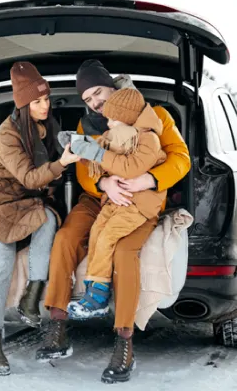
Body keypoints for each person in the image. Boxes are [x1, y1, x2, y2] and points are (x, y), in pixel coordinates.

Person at [35, 59, 190, 384]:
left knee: (123, 252)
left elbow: (181, 158)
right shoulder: (85, 125)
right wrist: (104, 184)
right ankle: (57, 325)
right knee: (65, 238)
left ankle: (124, 342)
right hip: (97, 199)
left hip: (137, 198)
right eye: (88, 98)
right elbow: (82, 171)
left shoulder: (156, 116)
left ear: (113, 86)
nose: (94, 102)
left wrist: (150, 179)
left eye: (98, 92)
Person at [0, 61, 81, 376]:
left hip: (27, 203)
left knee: (49, 219)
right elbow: (30, 177)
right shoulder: (7, 134)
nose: (45, 105)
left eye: (46, 99)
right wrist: (62, 162)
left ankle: (31, 298)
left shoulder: (46, 127)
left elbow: (44, 182)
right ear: (22, 104)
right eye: (37, 101)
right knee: (2, 263)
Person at [65, 87, 167, 320]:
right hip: (116, 200)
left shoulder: (148, 138)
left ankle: (99, 297)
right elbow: (103, 151)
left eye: (113, 119)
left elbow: (131, 167)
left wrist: (98, 155)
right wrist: (82, 147)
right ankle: (93, 287)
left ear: (127, 116)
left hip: (139, 203)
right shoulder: (121, 135)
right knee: (97, 232)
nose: (108, 124)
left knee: (109, 235)